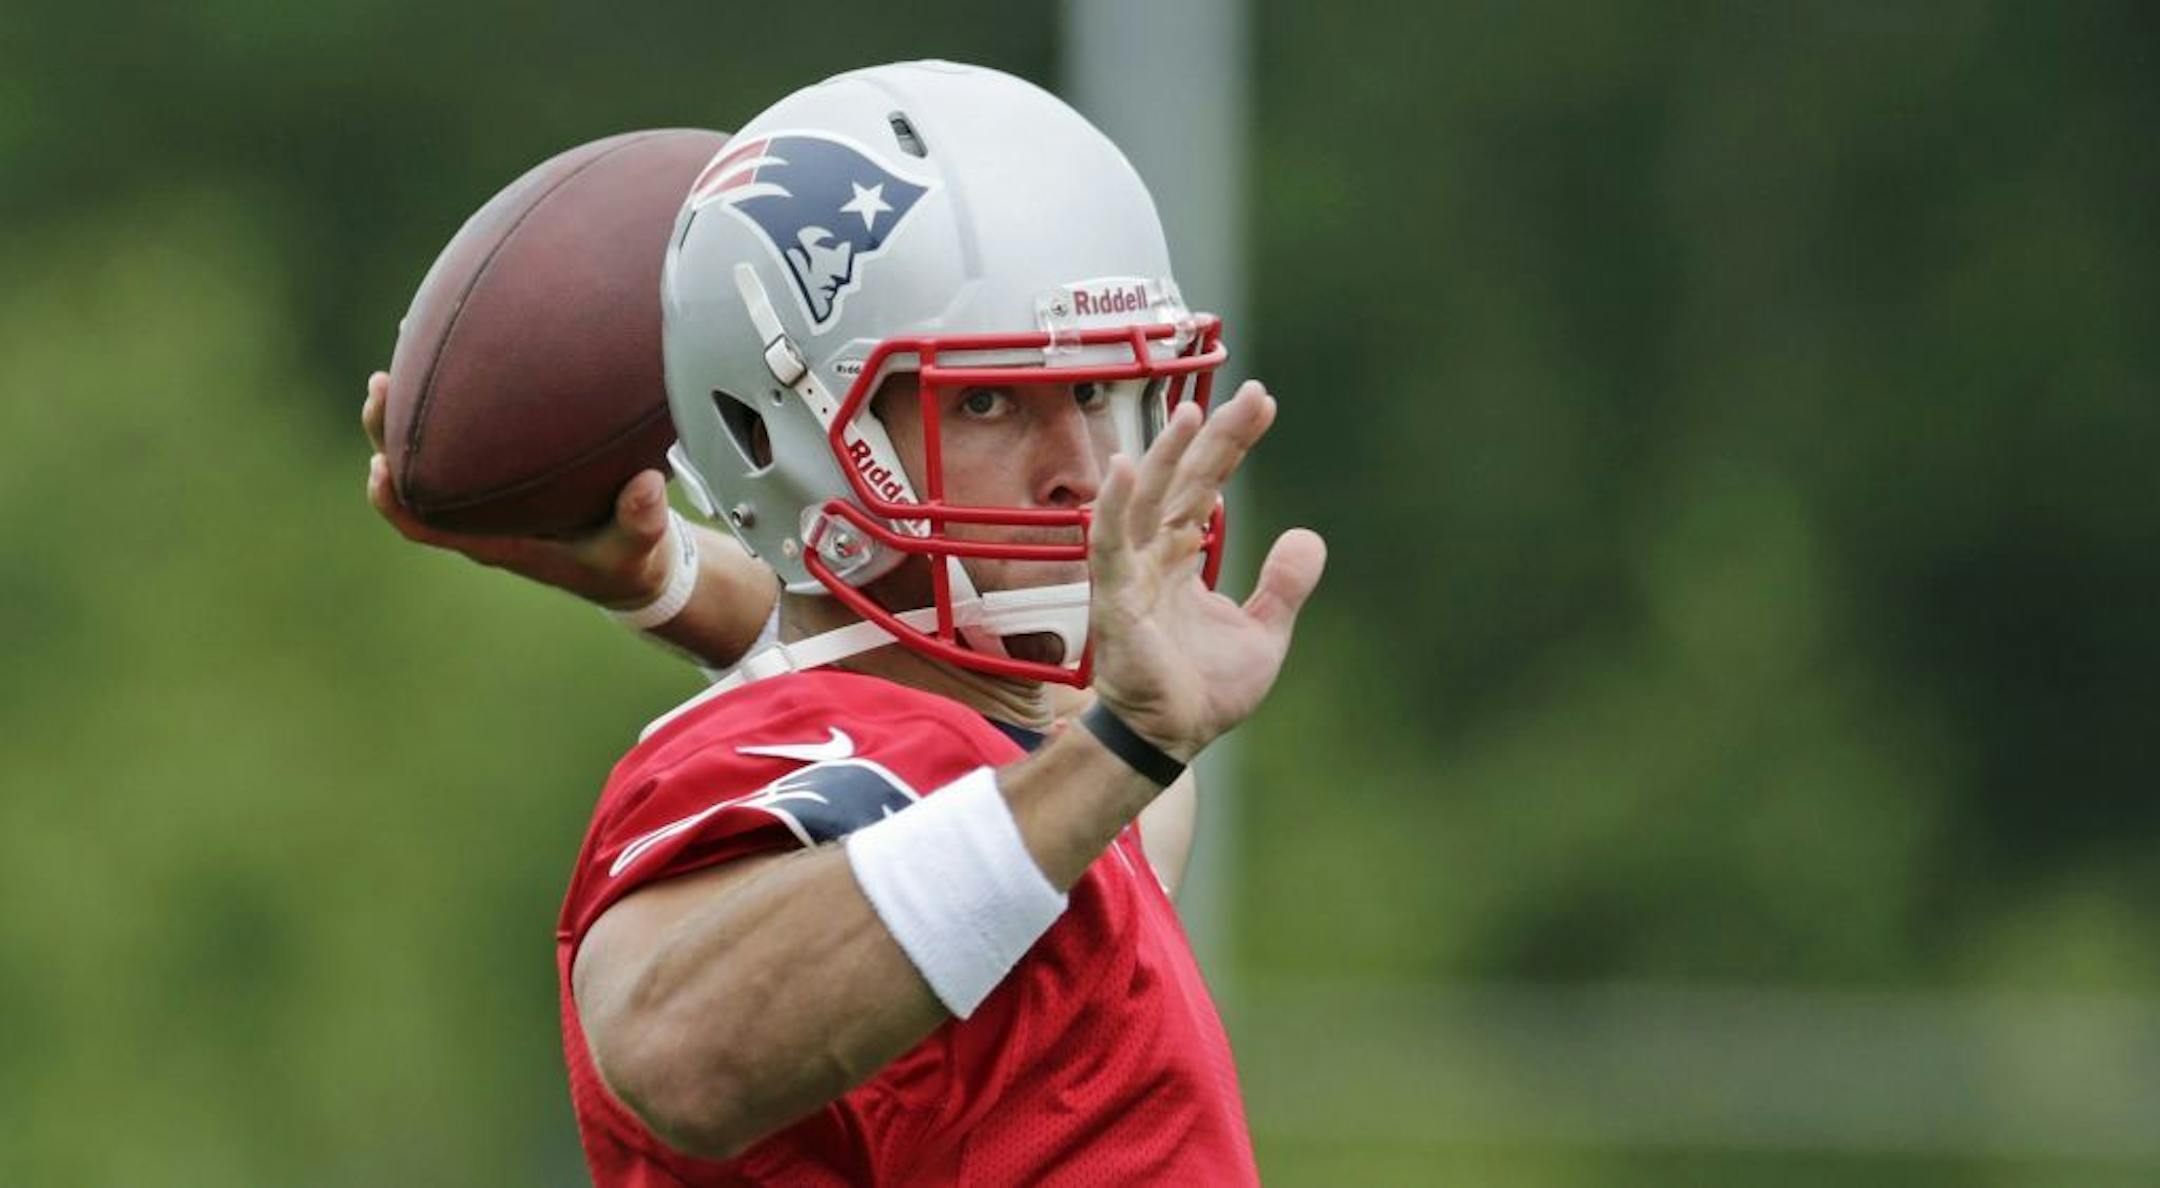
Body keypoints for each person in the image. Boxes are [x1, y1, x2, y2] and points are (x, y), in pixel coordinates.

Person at [369, 60, 1323, 1185]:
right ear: (803, 438)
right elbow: (679, 1053)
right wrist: (1126, 745)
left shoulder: (1043, 776)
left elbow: (1008, 782)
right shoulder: (824, 761)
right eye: (984, 401)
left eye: (1098, 393)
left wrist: (674, 581)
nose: (1083, 473)